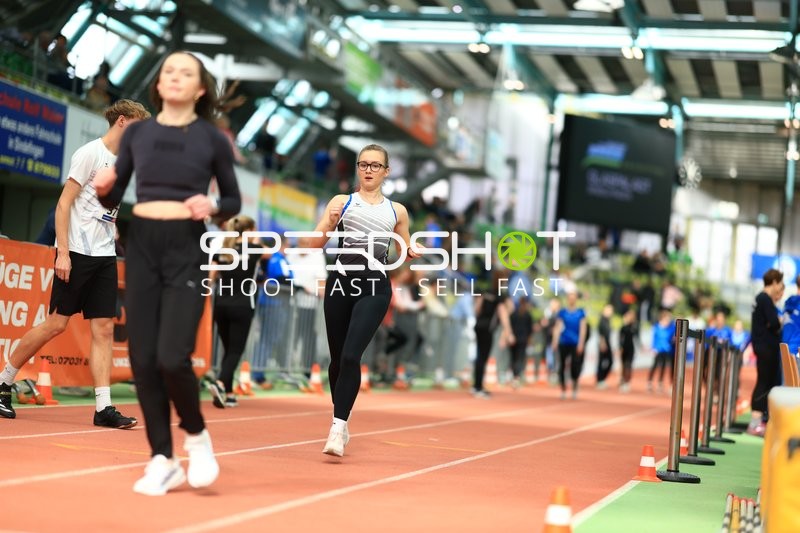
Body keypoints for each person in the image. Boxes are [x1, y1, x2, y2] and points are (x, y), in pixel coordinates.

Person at [94, 51, 241, 495]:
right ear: (158, 85)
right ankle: (162, 458)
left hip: (185, 247)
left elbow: (232, 200)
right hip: (142, 244)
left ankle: (196, 435)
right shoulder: (138, 133)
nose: (175, 78)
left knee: (172, 357)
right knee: (141, 360)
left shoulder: (213, 139)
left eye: (186, 73)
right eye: (168, 72)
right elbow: (115, 194)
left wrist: (212, 205)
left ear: (200, 88)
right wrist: (104, 191)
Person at [0, 99, 150, 422]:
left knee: (104, 329)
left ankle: (103, 408)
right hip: (77, 253)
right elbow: (63, 204)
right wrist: (63, 253)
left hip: (105, 255)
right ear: (123, 121)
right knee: (56, 324)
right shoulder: (89, 153)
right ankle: (4, 380)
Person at [305, 143, 421, 457]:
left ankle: (337, 427)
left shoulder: (397, 211)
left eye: (375, 165)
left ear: (386, 171)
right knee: (337, 361)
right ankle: (340, 416)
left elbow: (403, 251)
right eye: (363, 164)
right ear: (358, 168)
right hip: (341, 283)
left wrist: (412, 251)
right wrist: (329, 224)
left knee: (351, 356)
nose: (368, 170)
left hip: (374, 286)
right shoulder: (341, 202)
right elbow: (312, 244)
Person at [207, 216, 261, 408]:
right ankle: (221, 383)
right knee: (235, 350)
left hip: (221, 305)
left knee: (228, 349)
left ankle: (228, 394)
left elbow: (210, 277)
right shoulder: (254, 249)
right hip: (243, 305)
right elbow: (270, 254)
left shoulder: (223, 251)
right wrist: (253, 240)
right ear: (249, 230)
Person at [747, 268, 784, 437]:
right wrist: (779, 321)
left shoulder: (761, 299)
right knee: (764, 382)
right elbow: (774, 323)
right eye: (780, 283)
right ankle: (755, 422)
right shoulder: (765, 299)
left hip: (763, 345)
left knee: (766, 382)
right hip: (766, 346)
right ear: (774, 282)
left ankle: (759, 421)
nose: (781, 287)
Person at [472, 270, 514, 399]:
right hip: (488, 329)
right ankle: (478, 387)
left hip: (479, 326)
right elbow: (504, 313)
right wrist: (508, 332)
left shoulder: (485, 292)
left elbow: (477, 309)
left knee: (479, 356)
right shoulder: (499, 295)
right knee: (483, 357)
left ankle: (477, 385)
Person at [551, 289, 587, 400]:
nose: (571, 299)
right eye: (570, 297)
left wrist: (581, 343)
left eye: (573, 297)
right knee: (561, 365)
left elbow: (583, 328)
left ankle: (575, 385)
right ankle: (563, 388)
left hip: (575, 342)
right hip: (564, 342)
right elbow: (557, 327)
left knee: (574, 366)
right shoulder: (562, 312)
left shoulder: (580, 312)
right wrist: (555, 340)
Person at [647, 308, 676, 393]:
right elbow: (653, 338)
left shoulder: (671, 327)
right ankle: (649, 382)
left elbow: (676, 334)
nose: (668, 320)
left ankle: (660, 383)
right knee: (655, 365)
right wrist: (653, 348)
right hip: (658, 349)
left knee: (664, 366)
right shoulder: (656, 327)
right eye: (667, 318)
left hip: (668, 349)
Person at [508, 298, 534, 389]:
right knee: (518, 358)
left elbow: (530, 329)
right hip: (519, 340)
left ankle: (516, 376)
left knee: (516, 358)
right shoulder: (524, 315)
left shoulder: (523, 315)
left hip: (518, 340)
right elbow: (530, 330)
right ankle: (516, 376)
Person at [618, 308, 638, 393]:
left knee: (628, 365)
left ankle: (627, 381)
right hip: (624, 349)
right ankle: (622, 380)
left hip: (631, 349)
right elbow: (620, 338)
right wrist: (620, 348)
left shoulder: (634, 327)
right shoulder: (623, 327)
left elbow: (636, 336)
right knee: (623, 365)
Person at [596, 304, 614, 389]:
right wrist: (602, 343)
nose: (611, 312)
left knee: (609, 361)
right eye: (609, 310)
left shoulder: (608, 320)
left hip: (607, 342)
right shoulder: (602, 320)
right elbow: (601, 333)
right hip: (603, 343)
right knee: (602, 361)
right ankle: (600, 380)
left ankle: (602, 379)